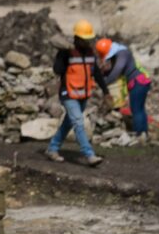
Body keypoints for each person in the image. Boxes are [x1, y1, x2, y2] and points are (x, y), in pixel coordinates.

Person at [45, 20, 113, 166]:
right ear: (77, 38)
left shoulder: (89, 53)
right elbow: (57, 70)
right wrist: (63, 54)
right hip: (68, 94)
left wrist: (106, 92)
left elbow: (97, 74)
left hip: (82, 95)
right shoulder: (66, 52)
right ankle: (89, 155)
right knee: (78, 122)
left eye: (89, 39)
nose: (88, 42)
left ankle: (52, 148)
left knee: (68, 124)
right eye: (85, 39)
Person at [95, 38, 152, 138]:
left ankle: (139, 134)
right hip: (140, 82)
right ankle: (144, 134)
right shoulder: (119, 53)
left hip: (138, 82)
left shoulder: (123, 54)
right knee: (140, 109)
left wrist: (103, 83)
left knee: (136, 110)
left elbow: (116, 71)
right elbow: (110, 69)